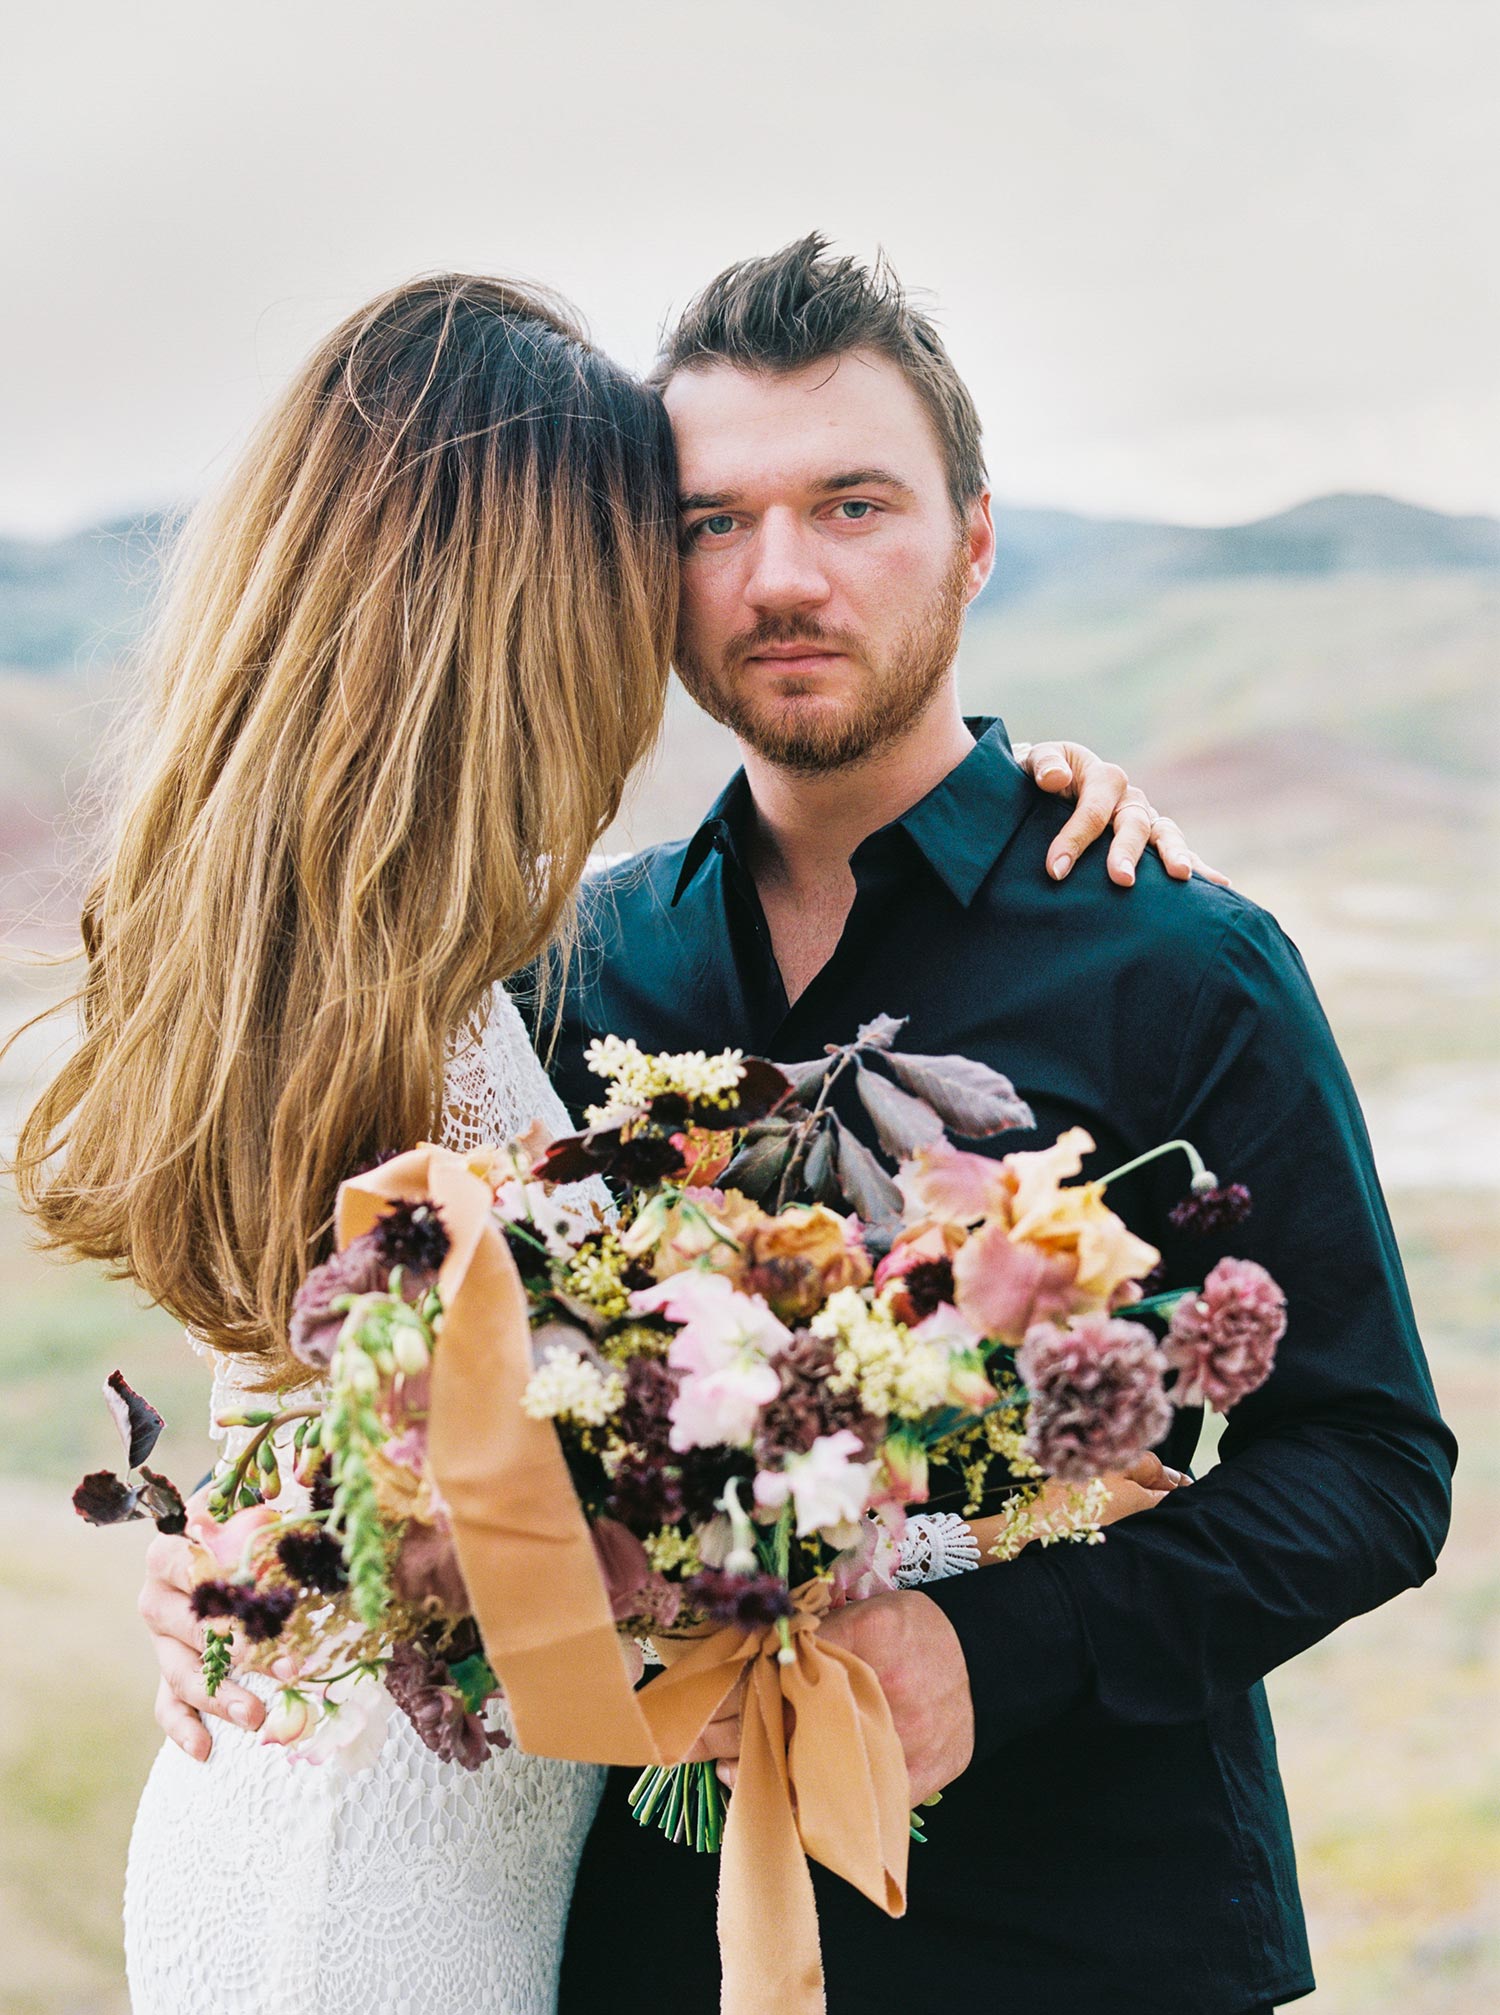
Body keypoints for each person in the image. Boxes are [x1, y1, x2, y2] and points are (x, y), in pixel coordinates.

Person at [24, 267, 1193, 2015]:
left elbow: (312, 1445)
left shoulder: (310, 953)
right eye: (667, 548)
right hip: (385, 1883)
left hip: (295, 1809)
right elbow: (559, 1542)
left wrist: (1003, 800)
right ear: (519, 618)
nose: (698, 609)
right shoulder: (423, 1027)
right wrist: (1012, 1510)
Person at [529, 239, 1452, 2015]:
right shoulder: (584, 976)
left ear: (972, 540)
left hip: (1088, 1939)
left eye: (852, 504)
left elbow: (1371, 1469)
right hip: (665, 1938)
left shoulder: (1179, 957)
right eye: (714, 522)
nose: (780, 575)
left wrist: (991, 1646)